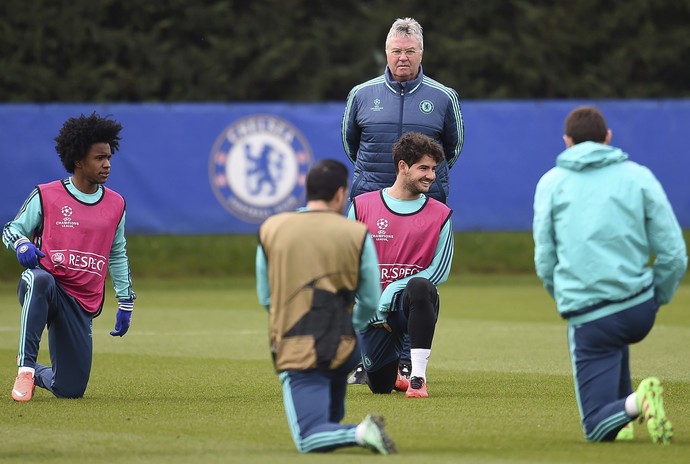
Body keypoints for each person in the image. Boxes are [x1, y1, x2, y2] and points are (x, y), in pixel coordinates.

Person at [533, 106, 687, 444]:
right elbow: (674, 253)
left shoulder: (551, 183)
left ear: (566, 141)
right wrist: (655, 297)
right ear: (608, 138)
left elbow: (545, 258)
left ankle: (638, 401)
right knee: (613, 337)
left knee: (595, 428)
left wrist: (564, 297)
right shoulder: (639, 175)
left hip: (590, 314)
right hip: (638, 309)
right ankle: (627, 419)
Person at [342, 17, 462, 386]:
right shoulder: (362, 94)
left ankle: (409, 361)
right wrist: (383, 187)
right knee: (366, 278)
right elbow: (351, 143)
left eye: (410, 51)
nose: (403, 58)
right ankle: (369, 358)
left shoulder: (443, 97)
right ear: (386, 52)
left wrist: (420, 182)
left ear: (421, 53)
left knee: (415, 282)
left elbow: (452, 148)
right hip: (371, 200)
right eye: (396, 51)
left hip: (423, 205)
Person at [255, 159, 397, 454]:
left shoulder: (271, 228)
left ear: (307, 191)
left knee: (308, 438)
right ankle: (341, 431)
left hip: (299, 343)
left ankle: (362, 432)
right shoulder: (356, 233)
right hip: (344, 345)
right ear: (339, 194)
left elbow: (267, 297)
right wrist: (352, 325)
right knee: (329, 421)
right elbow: (370, 298)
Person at [3, 112, 136, 402]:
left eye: (109, 157)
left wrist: (125, 300)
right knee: (38, 279)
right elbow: (11, 229)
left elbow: (117, 253)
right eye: (99, 158)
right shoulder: (47, 194)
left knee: (70, 389)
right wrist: (22, 244)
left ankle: (36, 372)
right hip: (47, 286)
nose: (107, 164)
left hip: (81, 302)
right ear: (78, 160)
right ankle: (25, 369)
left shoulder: (116, 204)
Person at [348, 132, 454, 398]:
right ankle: (392, 371)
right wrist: (367, 303)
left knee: (421, 286)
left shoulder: (441, 214)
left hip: (409, 305)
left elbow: (439, 270)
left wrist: (391, 292)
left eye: (433, 169)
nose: (431, 176)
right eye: (423, 168)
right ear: (403, 167)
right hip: (373, 314)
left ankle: (417, 377)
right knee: (380, 387)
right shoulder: (362, 206)